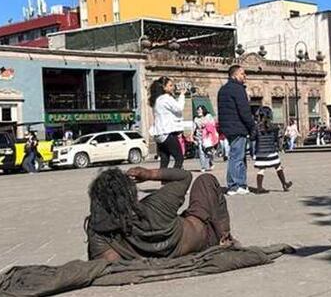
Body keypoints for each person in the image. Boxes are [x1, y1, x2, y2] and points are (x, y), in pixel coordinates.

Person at [85, 166, 234, 262]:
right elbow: (185, 176)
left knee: (184, 216)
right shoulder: (156, 205)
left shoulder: (101, 231)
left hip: (175, 243)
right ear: (129, 192)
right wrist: (149, 174)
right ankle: (224, 238)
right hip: (204, 238)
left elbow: (109, 262)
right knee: (206, 180)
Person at [218, 65, 255, 196]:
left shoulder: (223, 89)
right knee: (237, 157)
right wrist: (251, 126)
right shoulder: (238, 89)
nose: (245, 77)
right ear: (234, 75)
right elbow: (244, 111)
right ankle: (234, 185)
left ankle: (240, 184)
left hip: (228, 128)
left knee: (238, 155)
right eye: (242, 74)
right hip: (238, 127)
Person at [251, 106, 293, 194]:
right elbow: (275, 139)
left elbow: (252, 138)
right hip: (271, 151)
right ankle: (284, 184)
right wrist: (278, 147)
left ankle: (259, 188)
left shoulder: (257, 127)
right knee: (278, 167)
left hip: (261, 152)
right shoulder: (273, 127)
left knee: (261, 170)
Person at [150, 76, 187, 169]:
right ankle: (174, 179)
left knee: (165, 159)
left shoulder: (157, 100)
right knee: (179, 158)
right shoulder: (166, 98)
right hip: (166, 133)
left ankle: (163, 180)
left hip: (158, 134)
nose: (173, 87)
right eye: (170, 85)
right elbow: (179, 108)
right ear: (164, 87)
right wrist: (182, 95)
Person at [193, 105, 218, 172]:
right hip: (200, 137)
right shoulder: (196, 119)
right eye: (198, 110)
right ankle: (203, 166)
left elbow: (213, 124)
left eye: (200, 110)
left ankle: (211, 161)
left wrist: (206, 125)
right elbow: (194, 128)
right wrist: (193, 136)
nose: (199, 111)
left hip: (208, 137)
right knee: (201, 152)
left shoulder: (208, 116)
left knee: (209, 152)